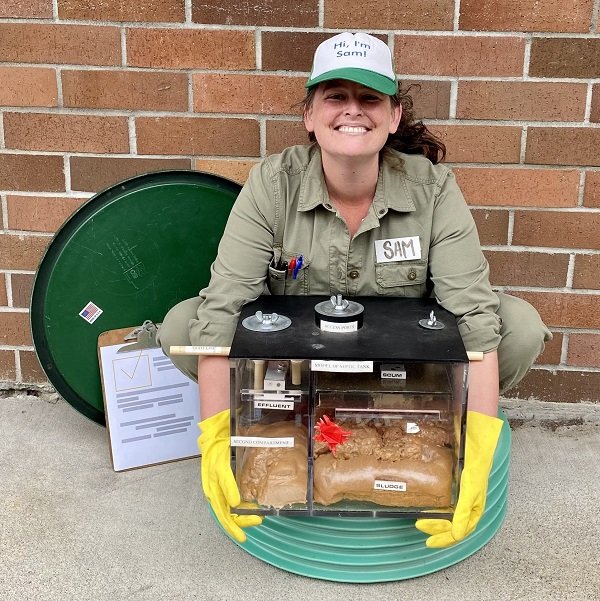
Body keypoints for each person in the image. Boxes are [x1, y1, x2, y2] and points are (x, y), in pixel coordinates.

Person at [157, 32, 551, 548]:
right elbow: (221, 309)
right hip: (299, 363)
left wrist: (476, 451)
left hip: (407, 367)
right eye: (336, 97)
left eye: (369, 98)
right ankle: (283, 415)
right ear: (310, 115)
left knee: (516, 328)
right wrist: (215, 443)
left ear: (392, 116)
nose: (352, 111)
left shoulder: (432, 188)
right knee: (183, 326)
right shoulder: (272, 184)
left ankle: (438, 418)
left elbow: (473, 316)